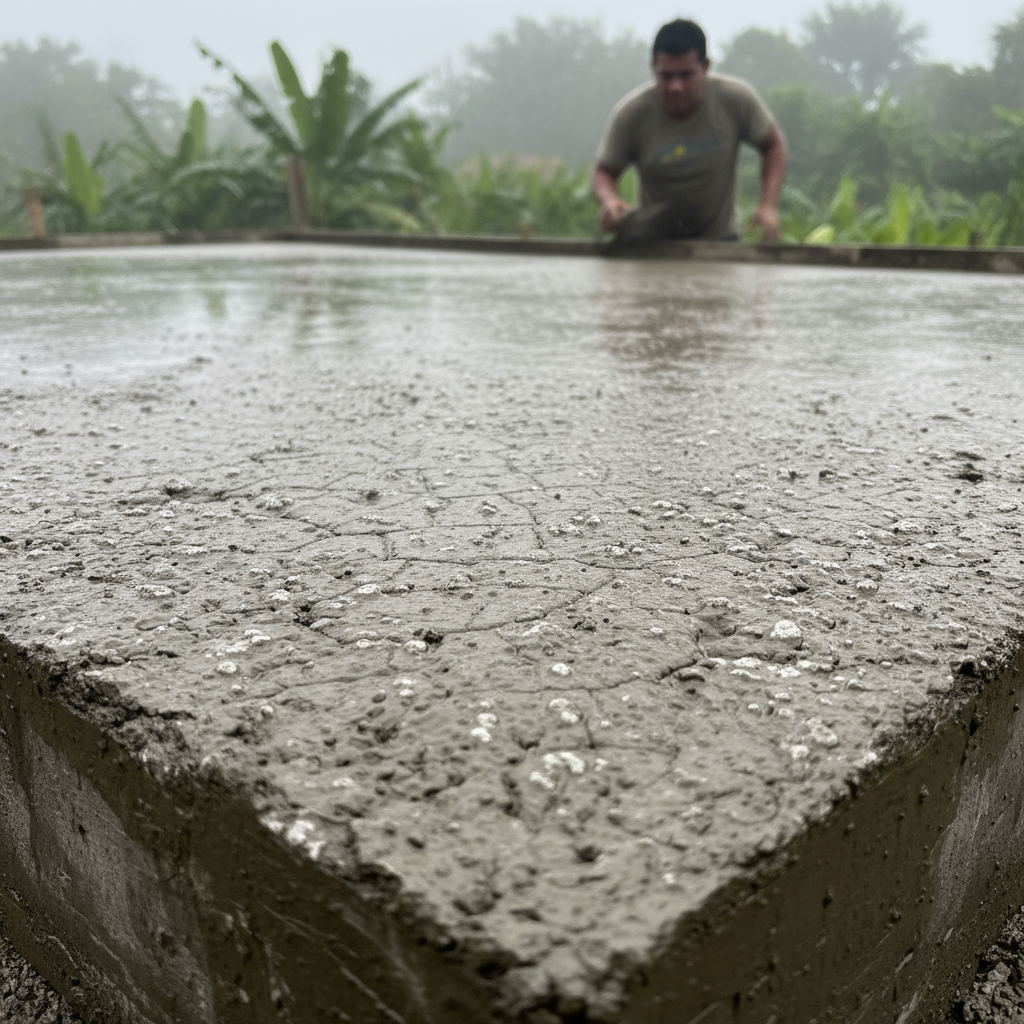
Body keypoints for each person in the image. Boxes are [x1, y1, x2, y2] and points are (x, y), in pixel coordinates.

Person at [591, 18, 787, 242]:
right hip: (649, 243)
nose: (676, 87)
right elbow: (604, 171)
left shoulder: (734, 99)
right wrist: (610, 201)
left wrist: (768, 206)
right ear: (653, 68)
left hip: (720, 240)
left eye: (686, 75)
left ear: (705, 67)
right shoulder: (632, 113)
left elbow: (773, 145)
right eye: (666, 76)